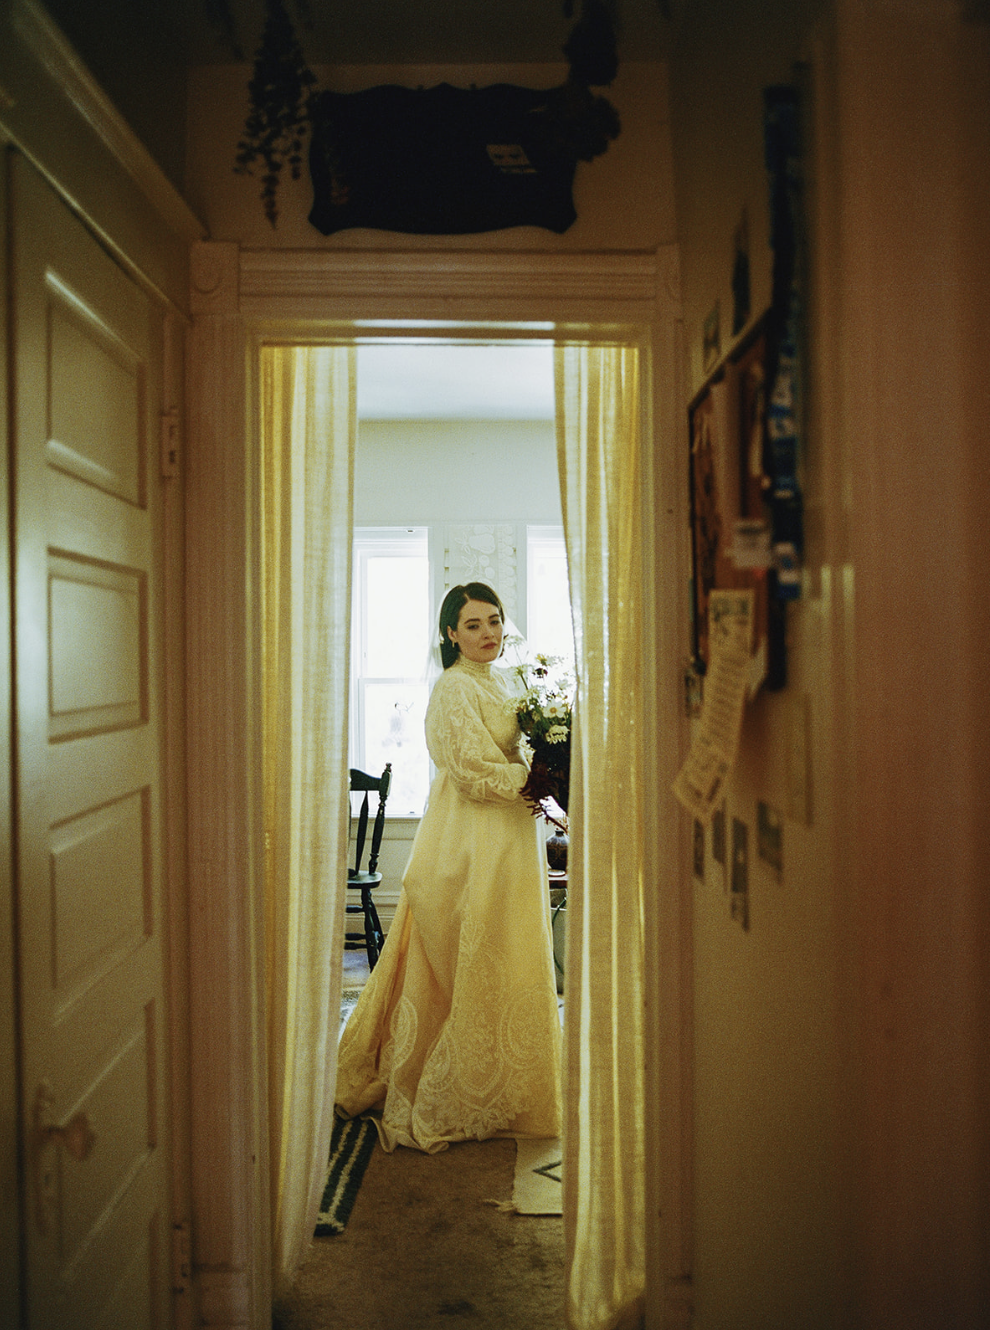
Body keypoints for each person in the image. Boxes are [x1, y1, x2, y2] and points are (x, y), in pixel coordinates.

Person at [335, 582, 563, 1153]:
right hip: (469, 841)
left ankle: (515, 1081)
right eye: (474, 625)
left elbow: (526, 747)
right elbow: (471, 771)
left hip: (513, 836)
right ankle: (462, 1083)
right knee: (476, 947)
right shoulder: (453, 689)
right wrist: (537, 781)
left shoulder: (507, 680)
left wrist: (552, 760)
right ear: (450, 633)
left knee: (513, 946)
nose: (488, 634)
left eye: (494, 622)